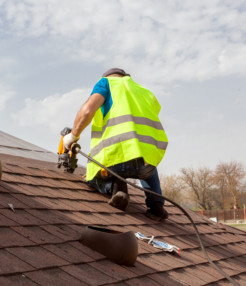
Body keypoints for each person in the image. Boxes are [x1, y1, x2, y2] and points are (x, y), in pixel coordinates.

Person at [62, 68, 169, 221]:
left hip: (116, 158)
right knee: (145, 163)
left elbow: (87, 111)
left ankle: (117, 188)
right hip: (147, 160)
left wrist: (72, 136)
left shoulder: (106, 83)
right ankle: (156, 206)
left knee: (92, 177)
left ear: (110, 77)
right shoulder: (144, 91)